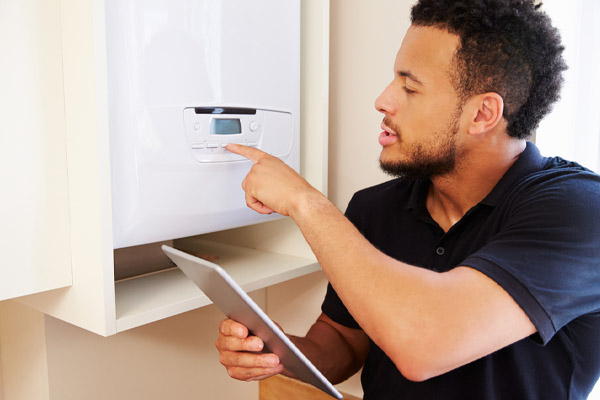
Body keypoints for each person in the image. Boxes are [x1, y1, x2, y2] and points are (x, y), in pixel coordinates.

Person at [216, 0, 600, 398]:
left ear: (483, 114)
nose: (383, 101)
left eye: (410, 87)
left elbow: (425, 344)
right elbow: (345, 341)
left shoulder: (580, 211)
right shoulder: (375, 208)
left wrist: (305, 202)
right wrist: (281, 351)